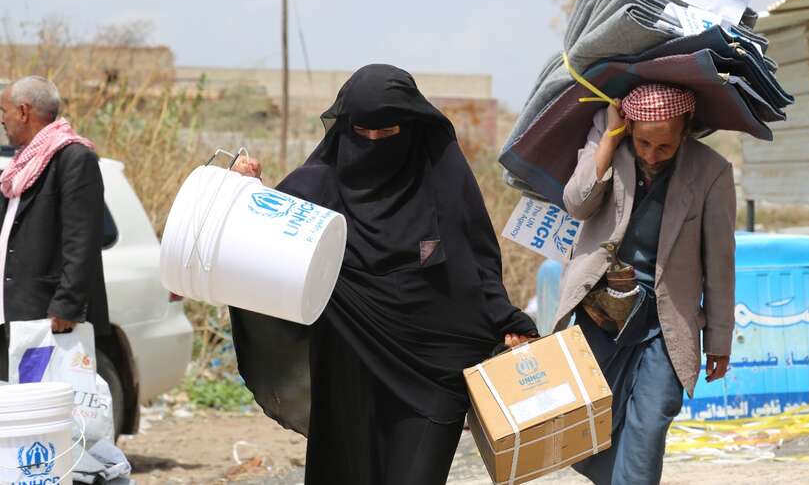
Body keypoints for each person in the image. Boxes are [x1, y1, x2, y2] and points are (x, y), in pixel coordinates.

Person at [229, 64, 538, 485]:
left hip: (435, 366)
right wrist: (245, 188)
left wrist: (506, 318)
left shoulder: (442, 179)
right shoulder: (319, 184)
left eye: (387, 133)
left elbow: (478, 259)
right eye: (363, 133)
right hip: (350, 367)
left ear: (411, 127)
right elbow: (267, 235)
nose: (373, 143)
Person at [554, 83, 735, 484]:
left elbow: (720, 263)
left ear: (686, 129)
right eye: (643, 143)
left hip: (669, 322)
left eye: (664, 147)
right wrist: (610, 138)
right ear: (630, 126)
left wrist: (719, 340)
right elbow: (577, 203)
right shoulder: (611, 147)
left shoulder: (712, 172)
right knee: (599, 424)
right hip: (603, 312)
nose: (651, 156)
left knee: (653, 418)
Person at [0, 76, 109, 380]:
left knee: (52, 414)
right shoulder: (21, 165)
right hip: (14, 313)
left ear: (23, 111)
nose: (2, 121)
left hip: (47, 317)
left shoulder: (74, 159)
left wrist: (66, 305)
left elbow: (82, 240)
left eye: (3, 111)